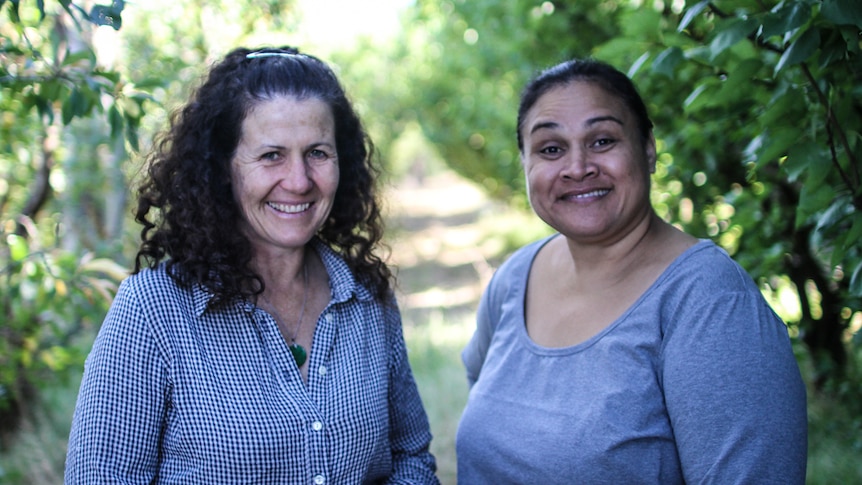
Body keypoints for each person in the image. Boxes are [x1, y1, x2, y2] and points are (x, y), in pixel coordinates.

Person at [65, 46, 439, 484]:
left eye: (317, 153)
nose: (299, 181)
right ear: (222, 168)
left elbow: (409, 456)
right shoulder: (153, 313)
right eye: (270, 155)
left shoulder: (367, 299)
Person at [455, 58, 807, 484]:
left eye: (602, 140)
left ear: (648, 149)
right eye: (550, 148)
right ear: (525, 164)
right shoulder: (514, 279)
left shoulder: (709, 302)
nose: (578, 167)